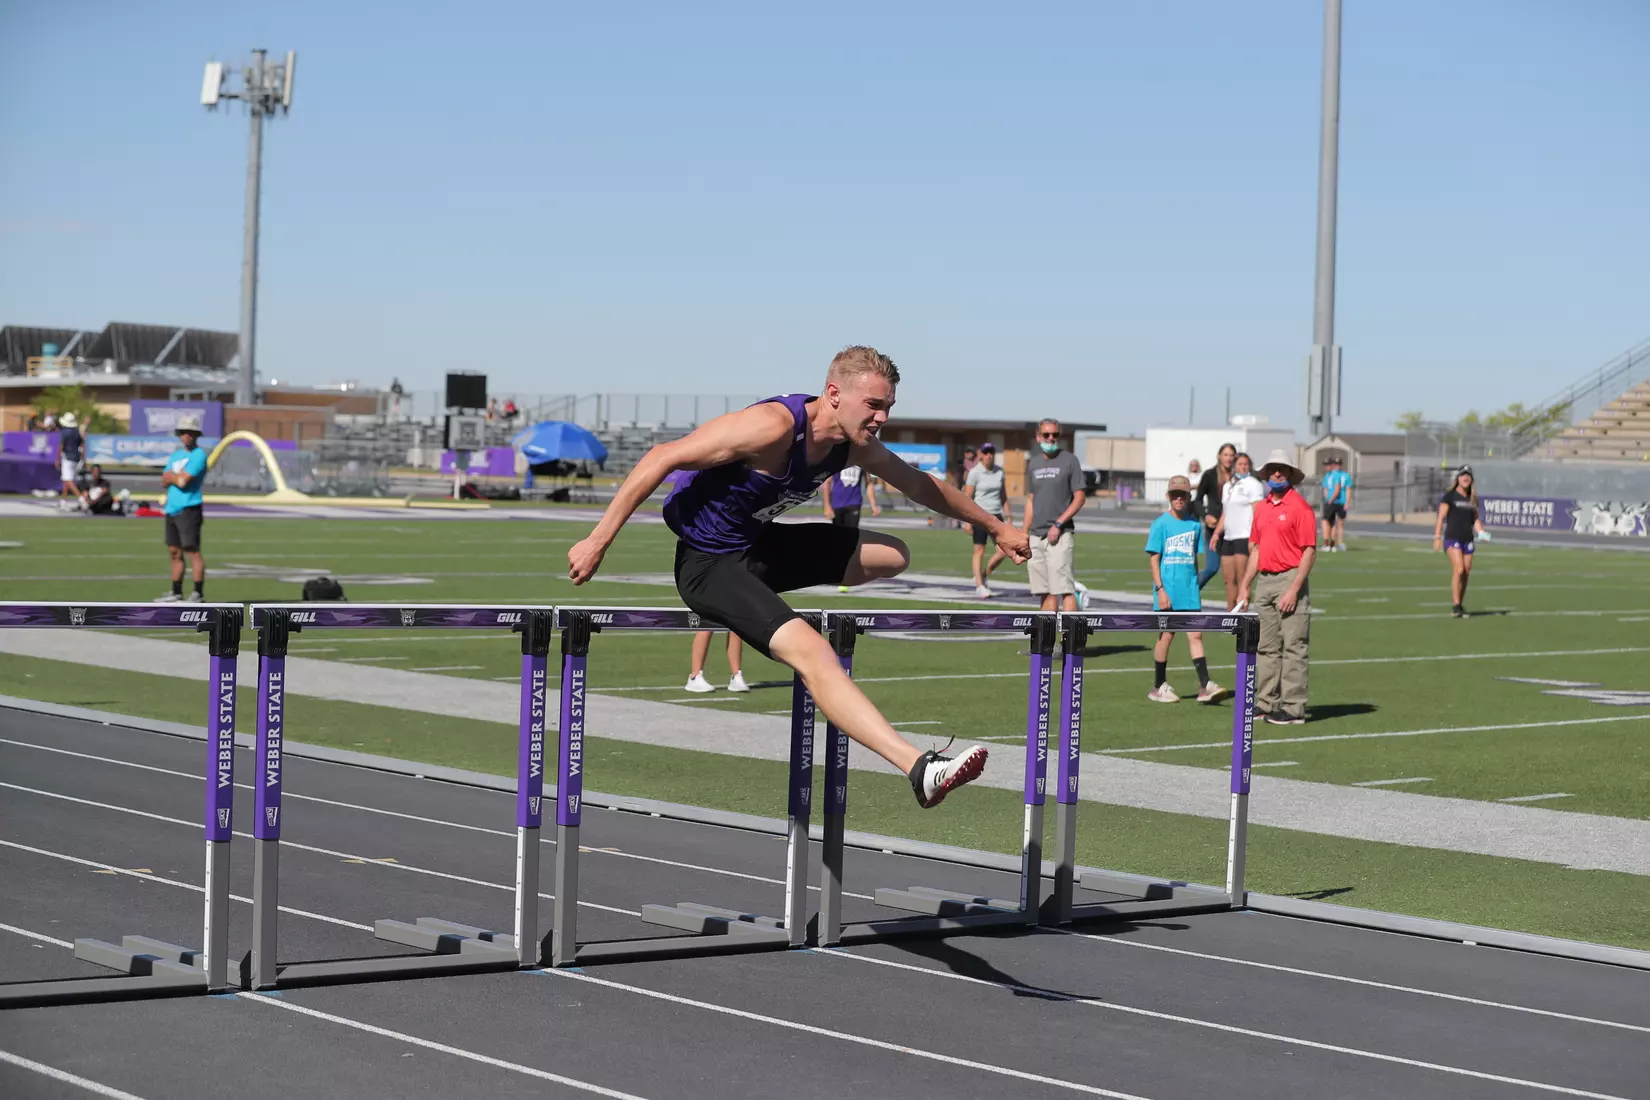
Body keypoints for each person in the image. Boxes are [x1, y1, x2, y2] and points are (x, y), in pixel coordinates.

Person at [567, 346, 1030, 808]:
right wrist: (597, 541)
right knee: (814, 653)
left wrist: (997, 527)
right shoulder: (771, 426)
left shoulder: (853, 445)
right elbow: (661, 456)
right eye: (873, 406)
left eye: (888, 408)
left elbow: (920, 485)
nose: (881, 418)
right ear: (833, 394)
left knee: (892, 554)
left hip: (760, 547)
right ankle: (920, 769)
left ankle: (757, 604)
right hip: (708, 563)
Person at [1236, 450, 1317, 725]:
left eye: (1282, 469)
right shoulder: (1262, 508)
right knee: (1266, 647)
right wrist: (1245, 585)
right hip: (1265, 581)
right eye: (1273, 470)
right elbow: (1256, 549)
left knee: (1294, 646)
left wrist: (1294, 589)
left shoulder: (1300, 508)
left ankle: (1294, 708)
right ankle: (1265, 703)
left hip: (1289, 577)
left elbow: (1309, 551)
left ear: (1291, 474)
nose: (1277, 474)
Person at [1146, 476, 1226, 703]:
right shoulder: (1160, 524)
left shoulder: (1194, 525)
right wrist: (1160, 590)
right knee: (1166, 637)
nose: (1179, 498)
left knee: (1195, 634)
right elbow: (1154, 560)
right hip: (1167, 592)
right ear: (1168, 497)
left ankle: (1205, 685)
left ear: (1189, 497)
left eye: (1183, 494)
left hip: (1189, 592)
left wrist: (1194, 587)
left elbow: (1193, 561)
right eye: (1175, 495)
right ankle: (1159, 686)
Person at [1023, 419, 1086, 612]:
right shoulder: (1033, 463)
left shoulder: (1069, 460)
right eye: (1046, 435)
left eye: (1055, 435)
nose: (1051, 438)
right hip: (1036, 535)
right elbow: (1031, 500)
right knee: (1044, 592)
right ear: (1038, 436)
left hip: (1060, 534)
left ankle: (1070, 641)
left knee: (1064, 589)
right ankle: (1046, 641)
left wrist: (1058, 524)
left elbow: (1080, 498)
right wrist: (1024, 532)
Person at [157, 414, 209, 603]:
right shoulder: (176, 455)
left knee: (192, 550)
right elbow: (165, 480)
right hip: (172, 508)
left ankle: (197, 592)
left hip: (189, 508)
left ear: (196, 435)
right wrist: (173, 477)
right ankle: (176, 591)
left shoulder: (199, 455)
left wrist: (173, 476)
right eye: (183, 432)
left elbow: (182, 481)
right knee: (174, 551)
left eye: (190, 432)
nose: (186, 435)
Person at [1208, 452, 1264, 609]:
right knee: (1228, 578)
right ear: (1234, 466)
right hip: (1229, 537)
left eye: (1246, 464)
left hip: (1244, 536)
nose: (1243, 467)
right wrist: (1217, 533)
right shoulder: (1228, 485)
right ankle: (1230, 612)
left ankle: (1243, 614)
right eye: (1240, 464)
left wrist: (1256, 537)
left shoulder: (1253, 484)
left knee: (1242, 578)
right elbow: (1226, 513)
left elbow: (1257, 512)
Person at [1433, 465, 1485, 618]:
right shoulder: (1450, 496)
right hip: (1452, 538)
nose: (1465, 478)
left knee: (1466, 573)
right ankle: (1455, 606)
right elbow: (1441, 517)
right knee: (1459, 569)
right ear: (1458, 478)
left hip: (1467, 538)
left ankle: (1460, 605)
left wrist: (1481, 532)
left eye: (1468, 475)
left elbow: (1475, 519)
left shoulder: (1473, 498)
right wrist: (1437, 537)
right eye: (1463, 475)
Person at [965, 442, 1009, 598]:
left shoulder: (1000, 472)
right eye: (986, 452)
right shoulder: (975, 473)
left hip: (996, 515)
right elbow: (967, 498)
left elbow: (1003, 495)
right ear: (981, 454)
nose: (989, 455)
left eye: (991, 452)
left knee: (1004, 550)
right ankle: (979, 585)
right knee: (979, 549)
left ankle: (983, 575)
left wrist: (1008, 516)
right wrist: (967, 520)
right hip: (980, 515)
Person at [1193, 443, 1236, 588]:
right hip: (1213, 530)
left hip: (1235, 530)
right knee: (1211, 567)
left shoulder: (1238, 477)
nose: (1228, 458)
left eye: (1231, 455)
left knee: (1234, 574)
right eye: (1225, 454)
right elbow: (1197, 500)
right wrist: (1205, 516)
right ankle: (1189, 592)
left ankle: (1236, 607)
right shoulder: (1210, 475)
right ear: (1219, 456)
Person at [1320, 456, 1351, 552]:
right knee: (1331, 522)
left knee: (1336, 523)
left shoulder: (1342, 475)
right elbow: (1325, 489)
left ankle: (1336, 543)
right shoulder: (1328, 475)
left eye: (1338, 464)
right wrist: (1327, 499)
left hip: (1339, 501)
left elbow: (1345, 489)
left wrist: (1347, 502)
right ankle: (1332, 544)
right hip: (1332, 501)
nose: (1336, 466)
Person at [57, 412, 86, 511]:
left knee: (68, 481)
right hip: (76, 457)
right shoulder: (76, 432)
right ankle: (63, 501)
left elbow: (61, 446)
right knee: (67, 480)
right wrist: (83, 457)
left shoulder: (65, 432)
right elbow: (82, 444)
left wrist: (57, 459)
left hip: (67, 457)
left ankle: (81, 498)